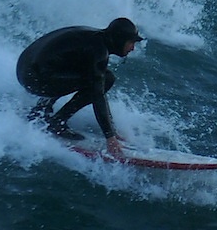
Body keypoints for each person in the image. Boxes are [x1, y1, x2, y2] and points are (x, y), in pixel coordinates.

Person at [16, 17, 144, 153]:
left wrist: (112, 130)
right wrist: (110, 137)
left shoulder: (93, 37)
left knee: (84, 70)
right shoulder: (98, 50)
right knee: (105, 79)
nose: (132, 48)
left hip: (24, 70)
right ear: (119, 39)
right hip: (35, 79)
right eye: (131, 42)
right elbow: (98, 94)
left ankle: (41, 108)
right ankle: (57, 122)